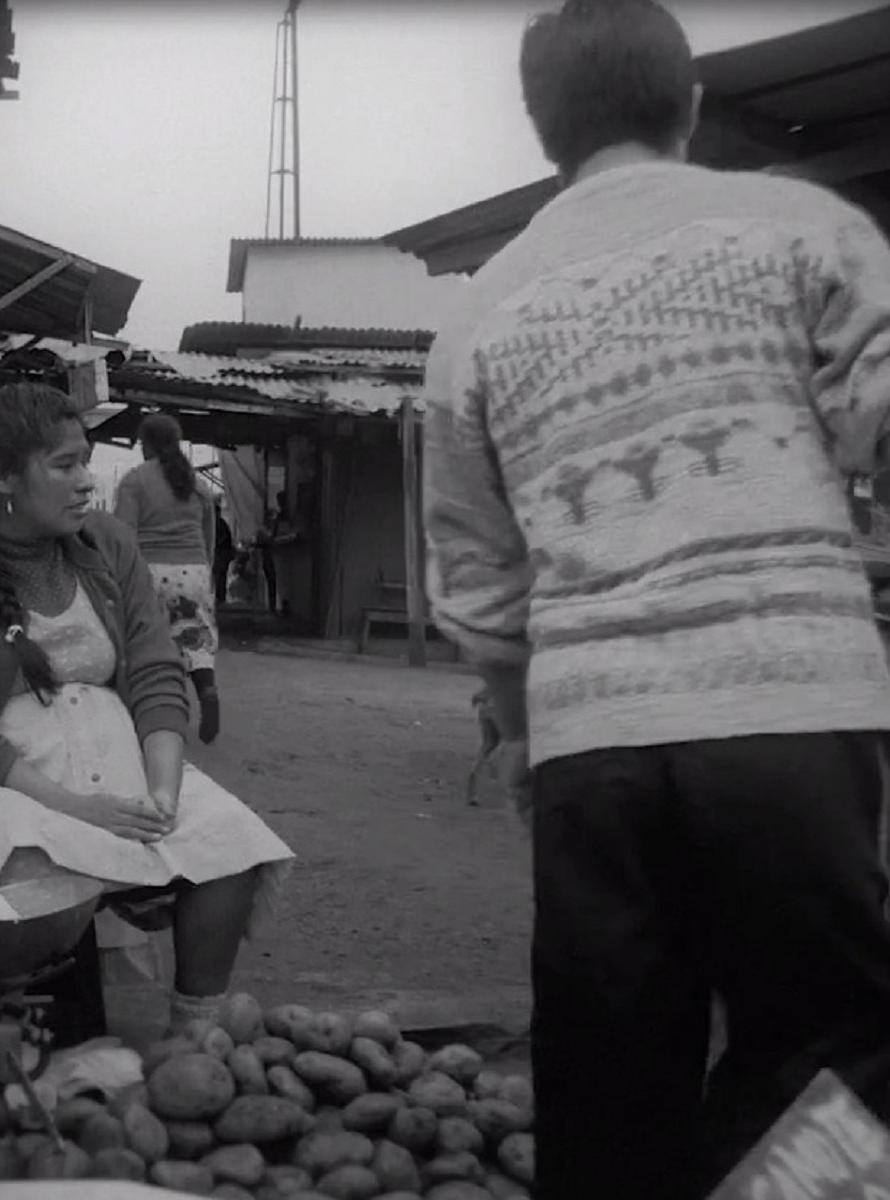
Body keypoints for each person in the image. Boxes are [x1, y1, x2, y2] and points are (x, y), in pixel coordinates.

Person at [421, 1, 890, 1196]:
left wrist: (524, 736)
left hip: (596, 745)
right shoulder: (799, 227)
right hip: (790, 708)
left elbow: (478, 585)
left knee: (606, 1075)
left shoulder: (481, 311)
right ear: (687, 103)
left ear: (543, 133)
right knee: (833, 1053)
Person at [0, 383, 294, 1036]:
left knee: (231, 841)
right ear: (1, 477)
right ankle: (51, 1042)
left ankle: (193, 1036)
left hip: (125, 778)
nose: (83, 482)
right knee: (27, 853)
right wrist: (77, 810)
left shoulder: (109, 546)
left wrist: (161, 789)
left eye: (86, 461)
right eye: (63, 465)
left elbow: (158, 673)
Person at [114, 414, 224, 743]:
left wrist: (121, 577)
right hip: (194, 571)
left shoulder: (135, 481)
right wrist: (206, 576)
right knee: (194, 638)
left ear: (146, 443)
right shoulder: (197, 484)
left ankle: (156, 712)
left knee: (148, 643)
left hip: (152, 572)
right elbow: (210, 536)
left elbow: (123, 536)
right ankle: (207, 691)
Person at [212, 497, 236, 609]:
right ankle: (219, 597)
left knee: (219, 575)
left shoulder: (218, 524)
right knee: (220, 575)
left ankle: (219, 597)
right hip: (222, 553)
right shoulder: (221, 523)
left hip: (221, 553)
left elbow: (221, 538)